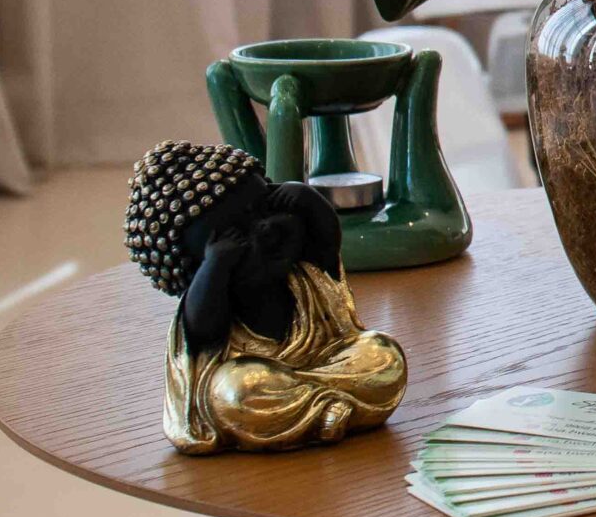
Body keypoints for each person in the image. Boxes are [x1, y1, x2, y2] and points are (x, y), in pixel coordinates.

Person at [124, 140, 407, 454]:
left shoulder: (305, 274)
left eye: (268, 208)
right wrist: (217, 266)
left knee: (383, 355)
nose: (266, 231)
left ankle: (320, 407)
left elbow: (328, 238)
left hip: (324, 363)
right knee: (237, 390)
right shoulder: (211, 306)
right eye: (237, 235)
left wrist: (306, 197)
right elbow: (203, 327)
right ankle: (328, 409)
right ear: (197, 269)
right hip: (260, 386)